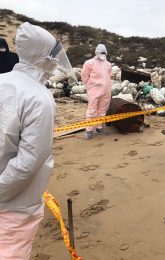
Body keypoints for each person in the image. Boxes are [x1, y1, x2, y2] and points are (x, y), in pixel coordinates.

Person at [0, 22, 75, 260]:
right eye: (52, 56)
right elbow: (29, 162)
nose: (55, 62)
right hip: (16, 205)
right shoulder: (39, 97)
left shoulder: (3, 82)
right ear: (42, 56)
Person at [81, 44, 112, 140]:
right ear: (96, 52)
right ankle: (89, 130)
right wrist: (89, 86)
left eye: (104, 52)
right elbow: (84, 75)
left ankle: (99, 127)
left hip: (106, 90)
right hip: (94, 90)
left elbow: (109, 76)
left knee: (102, 110)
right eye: (101, 52)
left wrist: (107, 86)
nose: (102, 54)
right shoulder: (89, 63)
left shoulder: (108, 64)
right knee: (92, 110)